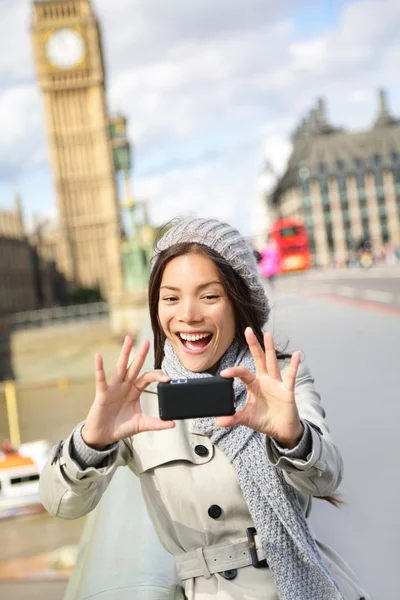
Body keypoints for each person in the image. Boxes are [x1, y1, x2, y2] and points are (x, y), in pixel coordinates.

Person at [39, 218, 370, 600]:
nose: (188, 314)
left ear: (238, 301)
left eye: (209, 296)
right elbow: (60, 504)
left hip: (301, 583)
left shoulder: (276, 380)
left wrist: (291, 436)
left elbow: (326, 478)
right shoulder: (140, 399)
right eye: (171, 298)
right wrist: (91, 442)